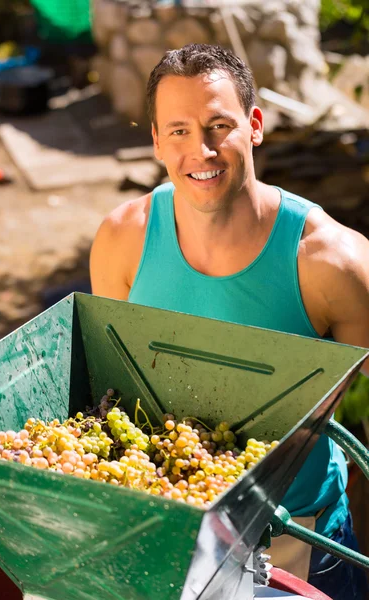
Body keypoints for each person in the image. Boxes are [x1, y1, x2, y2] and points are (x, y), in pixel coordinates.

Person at [90, 43, 369, 598]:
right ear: (155, 141)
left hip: (301, 539)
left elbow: (361, 415)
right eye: (179, 131)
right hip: (169, 537)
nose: (202, 149)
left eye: (219, 125)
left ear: (255, 126)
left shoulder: (332, 261)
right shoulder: (124, 240)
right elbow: (119, 394)